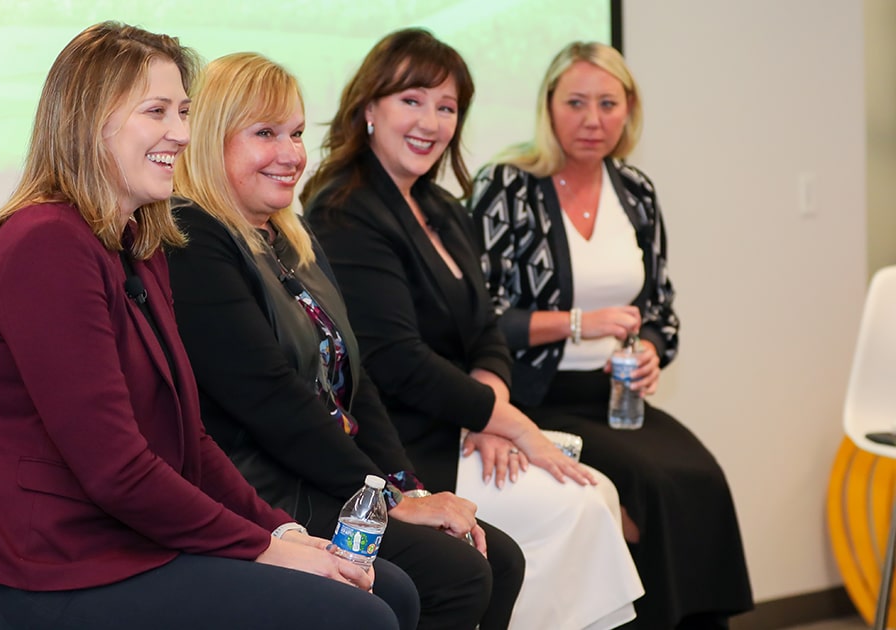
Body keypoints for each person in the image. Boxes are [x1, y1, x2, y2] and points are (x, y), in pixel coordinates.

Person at [0, 22, 419, 630]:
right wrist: (266, 548)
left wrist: (279, 528)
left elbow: (187, 438)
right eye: (157, 112)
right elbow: (116, 470)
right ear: (88, 121)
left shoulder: (138, 242)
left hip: (135, 541)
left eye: (184, 111)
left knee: (393, 591)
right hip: (69, 570)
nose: (181, 133)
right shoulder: (46, 244)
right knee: (364, 615)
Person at [167, 51, 524, 630]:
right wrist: (391, 504)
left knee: (497, 557)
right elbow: (273, 401)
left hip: (329, 475)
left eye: (297, 133)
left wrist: (405, 486)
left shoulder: (290, 233)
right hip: (269, 487)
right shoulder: (193, 239)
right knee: (458, 574)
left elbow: (357, 388)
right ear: (212, 138)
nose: (291, 155)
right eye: (265, 133)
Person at [302, 28, 644, 630]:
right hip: (410, 447)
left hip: (464, 426)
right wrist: (504, 422)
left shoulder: (441, 207)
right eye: (411, 100)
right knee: (581, 507)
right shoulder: (344, 209)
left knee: (598, 496)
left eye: (447, 107)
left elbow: (488, 327)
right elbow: (397, 360)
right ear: (368, 108)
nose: (430, 121)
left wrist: (490, 410)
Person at [467, 41, 753, 629]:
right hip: (536, 397)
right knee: (649, 489)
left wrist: (648, 347)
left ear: (630, 110)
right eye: (575, 102)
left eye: (607, 103)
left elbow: (660, 309)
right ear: (548, 107)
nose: (592, 120)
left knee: (701, 481)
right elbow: (479, 317)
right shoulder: (508, 186)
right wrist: (578, 323)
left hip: (617, 399)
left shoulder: (636, 191)